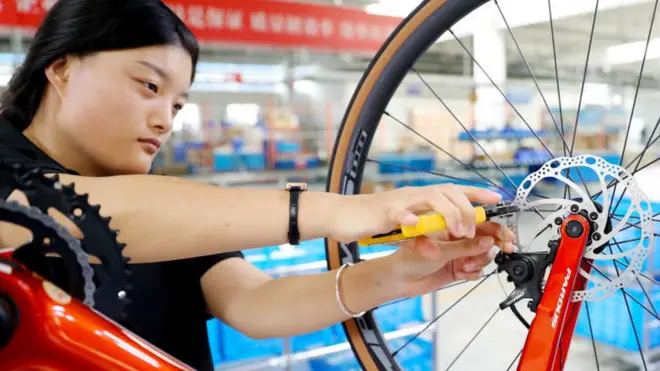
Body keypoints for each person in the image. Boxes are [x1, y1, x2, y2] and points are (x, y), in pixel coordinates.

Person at [0, 0, 515, 370]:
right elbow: (65, 216)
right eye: (149, 87)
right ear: (62, 67)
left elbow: (254, 302)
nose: (165, 119)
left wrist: (403, 274)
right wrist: (341, 210)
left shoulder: (162, 203)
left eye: (178, 105)